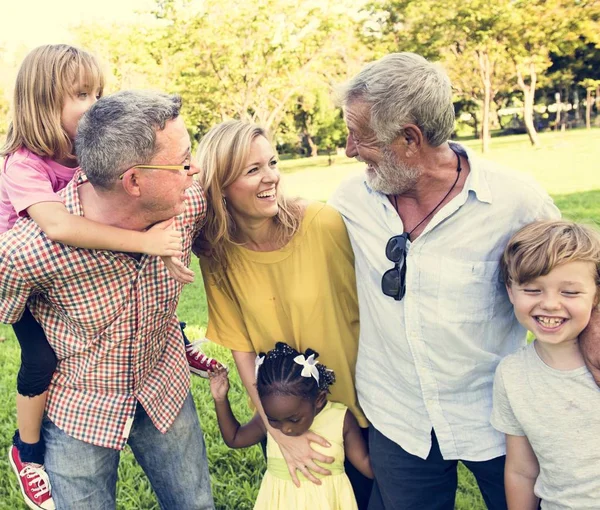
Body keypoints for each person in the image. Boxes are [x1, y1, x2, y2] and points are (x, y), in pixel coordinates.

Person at [328, 52, 561, 509]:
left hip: (497, 416)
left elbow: (579, 288)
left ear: (410, 139)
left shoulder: (515, 201)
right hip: (397, 416)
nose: (350, 150)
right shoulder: (349, 200)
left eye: (360, 137)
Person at [0, 89, 214, 509]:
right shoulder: (27, 251)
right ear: (133, 181)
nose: (195, 170)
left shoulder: (189, 203)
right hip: (80, 409)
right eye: (182, 162)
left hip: (163, 387)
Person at [194, 120, 372, 507]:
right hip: (287, 417)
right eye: (253, 170)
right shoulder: (218, 255)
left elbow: (371, 311)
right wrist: (279, 434)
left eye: (272, 163)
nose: (271, 177)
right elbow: (242, 350)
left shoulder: (322, 224)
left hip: (360, 414)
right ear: (221, 186)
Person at [491, 220, 600, 509]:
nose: (550, 304)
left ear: (596, 295)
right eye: (533, 290)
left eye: (570, 292)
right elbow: (521, 471)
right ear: (511, 291)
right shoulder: (512, 375)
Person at [209, 342, 373, 510]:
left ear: (319, 399)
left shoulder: (341, 419)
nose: (285, 429)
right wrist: (220, 400)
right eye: (273, 420)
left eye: (294, 420)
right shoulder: (266, 420)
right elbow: (234, 438)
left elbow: (367, 465)